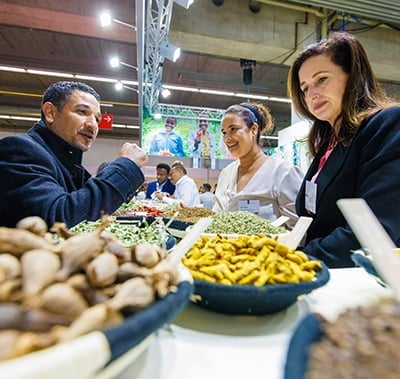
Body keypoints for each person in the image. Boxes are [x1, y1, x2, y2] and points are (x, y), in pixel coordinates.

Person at [288, 31, 400, 268]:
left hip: (359, 281)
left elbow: (374, 229)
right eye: (305, 87)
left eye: (321, 79)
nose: (312, 94)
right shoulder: (328, 143)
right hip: (325, 276)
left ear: (352, 76)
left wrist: (296, 260)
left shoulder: (387, 124)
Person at [0, 81, 148, 228]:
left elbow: (86, 205)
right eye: (82, 112)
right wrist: (125, 166)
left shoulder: (67, 162)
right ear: (50, 113)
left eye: (97, 119)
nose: (93, 125)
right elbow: (57, 219)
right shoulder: (19, 149)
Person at [213, 102, 303, 229]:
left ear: (253, 129)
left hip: (268, 248)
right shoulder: (226, 173)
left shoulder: (283, 172)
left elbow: (298, 228)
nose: (227, 138)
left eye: (233, 129)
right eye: (224, 132)